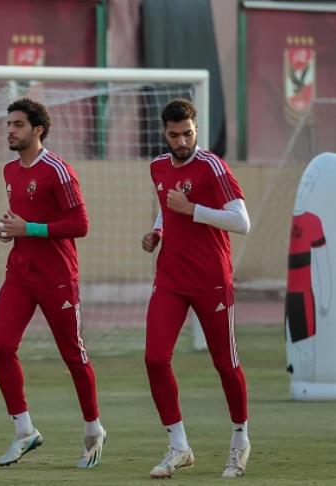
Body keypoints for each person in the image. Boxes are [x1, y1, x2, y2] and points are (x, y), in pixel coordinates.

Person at [141, 98, 251, 478]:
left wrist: (193, 210)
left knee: (225, 363)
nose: (182, 141)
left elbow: (241, 222)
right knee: (155, 358)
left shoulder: (213, 167)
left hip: (211, 280)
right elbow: (166, 205)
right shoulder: (157, 166)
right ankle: (179, 446)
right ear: (164, 133)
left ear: (196, 128)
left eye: (187, 133)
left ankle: (240, 439)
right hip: (171, 278)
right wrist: (157, 231)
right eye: (174, 135)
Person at [0, 98, 106, 468]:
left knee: (74, 355)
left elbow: (81, 225)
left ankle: (93, 429)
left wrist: (30, 229)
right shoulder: (10, 170)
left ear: (38, 130)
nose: (10, 131)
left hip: (57, 278)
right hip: (19, 275)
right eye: (9, 124)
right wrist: (10, 230)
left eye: (18, 125)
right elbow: (24, 220)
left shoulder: (58, 170)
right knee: (2, 346)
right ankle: (24, 430)